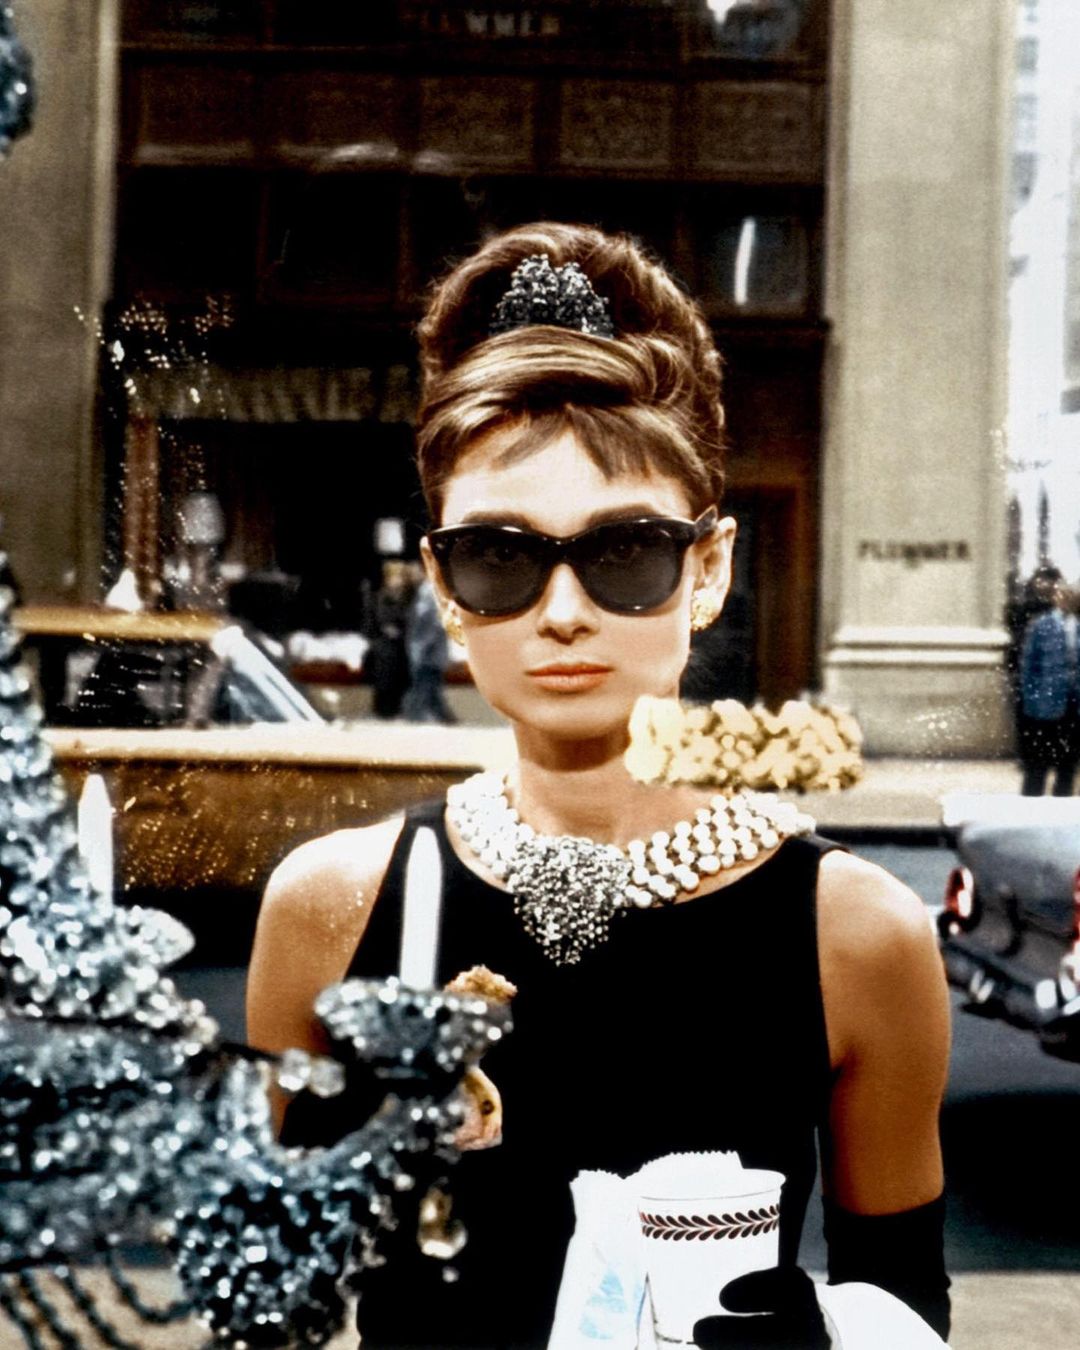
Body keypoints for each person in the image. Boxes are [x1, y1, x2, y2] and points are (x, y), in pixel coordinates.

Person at [246, 224, 951, 1349]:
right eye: (500, 557)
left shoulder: (858, 934)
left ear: (708, 569)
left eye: (625, 554)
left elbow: (906, 1298)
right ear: (443, 586)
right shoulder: (330, 905)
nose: (563, 612)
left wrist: (823, 1333)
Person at [1018, 578, 1080, 796]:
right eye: (1062, 594)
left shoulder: (1077, 625)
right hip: (1046, 704)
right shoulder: (1041, 625)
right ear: (1055, 597)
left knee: (1068, 764)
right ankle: (1031, 803)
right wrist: (1032, 699)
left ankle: (1062, 802)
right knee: (1038, 763)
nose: (1067, 599)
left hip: (1074, 704)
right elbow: (1029, 665)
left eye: (1071, 595)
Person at [401, 566, 458, 724]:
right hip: (431, 648)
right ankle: (441, 716)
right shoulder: (431, 591)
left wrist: (421, 646)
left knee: (424, 683)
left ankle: (417, 715)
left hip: (428, 648)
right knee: (430, 685)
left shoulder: (428, 591)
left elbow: (429, 620)